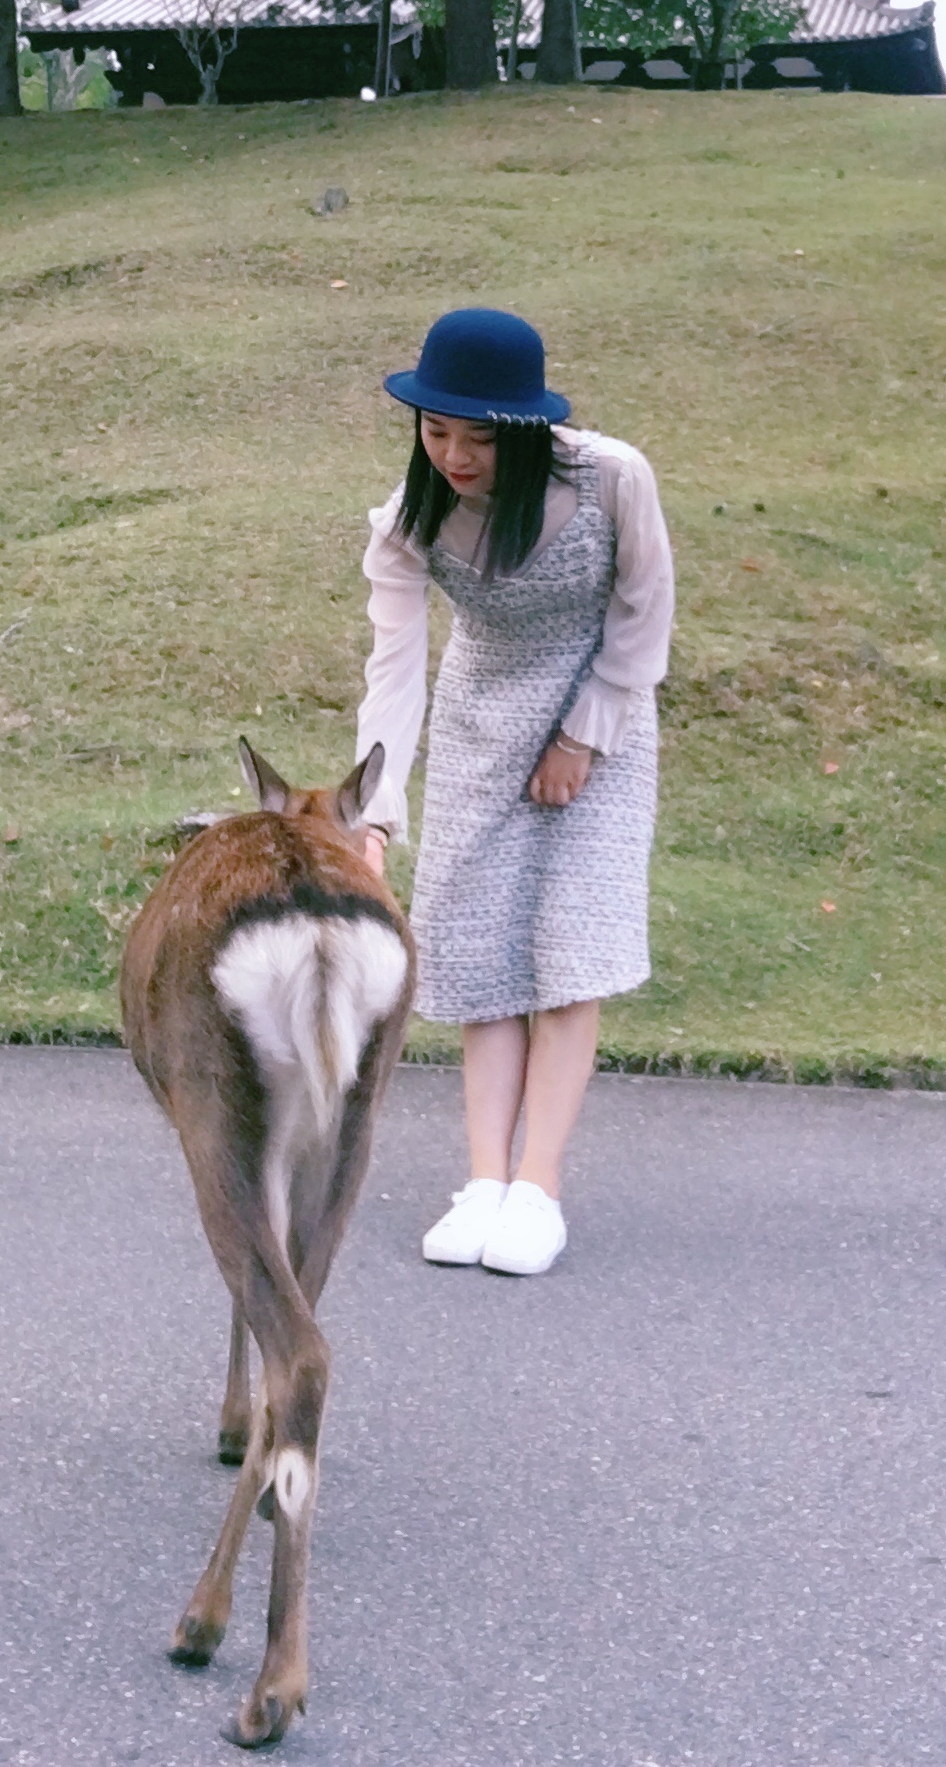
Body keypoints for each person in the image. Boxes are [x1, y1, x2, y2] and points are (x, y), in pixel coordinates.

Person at [356, 308, 674, 1276]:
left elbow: (645, 610)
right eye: (437, 430)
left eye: (480, 438)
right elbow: (395, 668)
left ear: (527, 432)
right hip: (479, 723)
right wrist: (372, 813)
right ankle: (484, 1181)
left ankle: (539, 1187)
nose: (454, 454)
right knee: (480, 949)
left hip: (598, 719)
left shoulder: (612, 478)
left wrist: (585, 734)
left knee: (569, 947)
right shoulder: (406, 520)